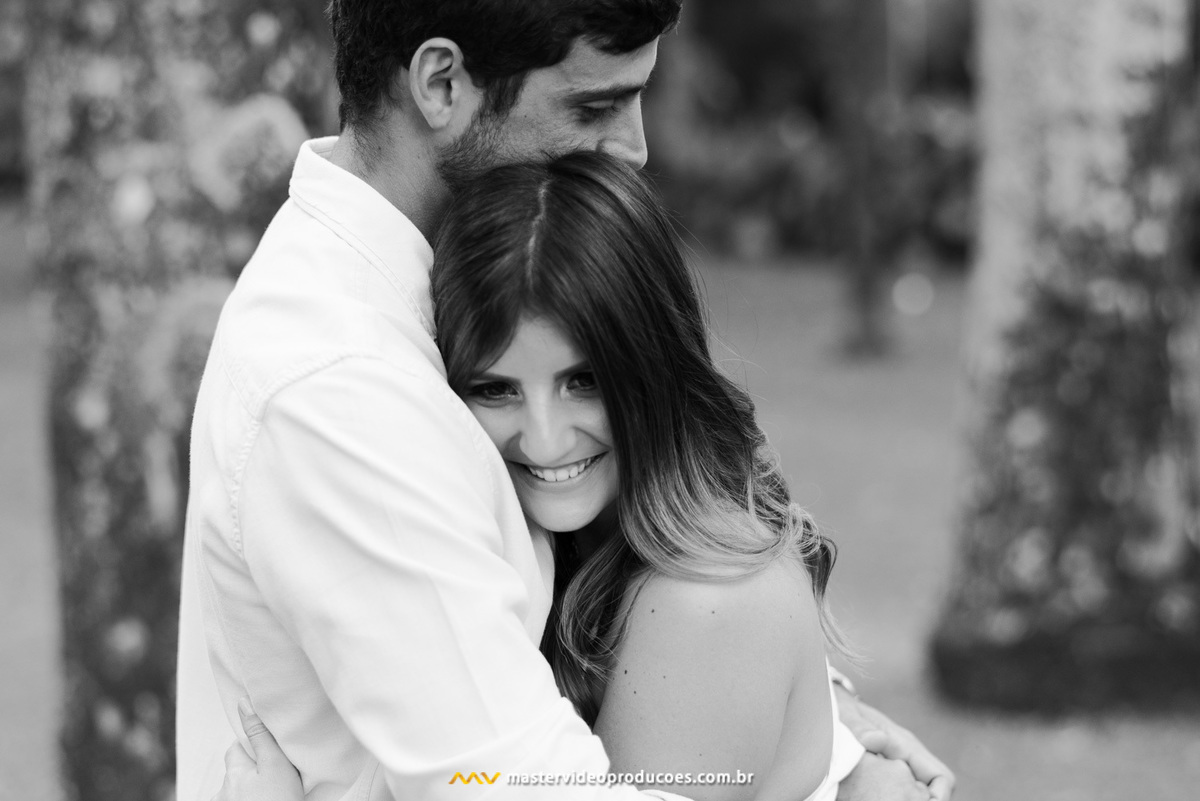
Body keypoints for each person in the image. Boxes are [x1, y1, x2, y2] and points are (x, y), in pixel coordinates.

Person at [176, 2, 955, 800]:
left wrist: (806, 717)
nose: (634, 147)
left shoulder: (444, 289)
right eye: (594, 106)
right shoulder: (342, 385)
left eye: (583, 378)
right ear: (442, 84)